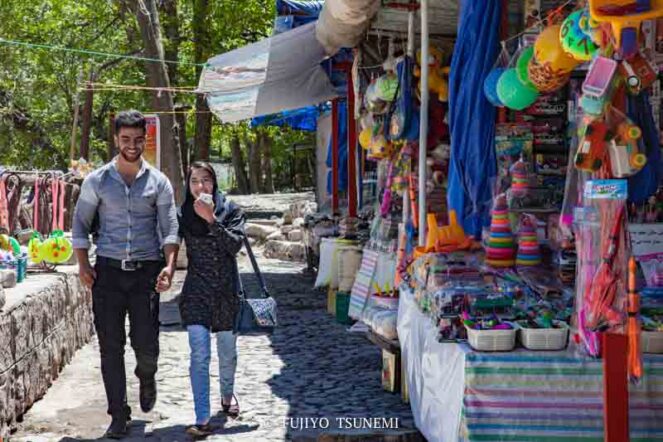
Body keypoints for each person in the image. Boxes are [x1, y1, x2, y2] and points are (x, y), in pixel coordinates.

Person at [72, 110, 179, 439]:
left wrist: (170, 266)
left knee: (146, 344)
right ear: (116, 140)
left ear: (145, 139)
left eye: (137, 139)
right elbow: (80, 223)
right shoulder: (98, 181)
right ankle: (118, 414)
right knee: (110, 346)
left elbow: (169, 227)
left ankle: (147, 375)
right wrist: (83, 264)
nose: (132, 145)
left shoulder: (158, 182)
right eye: (125, 139)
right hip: (108, 273)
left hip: (146, 273)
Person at [178, 161, 245, 437]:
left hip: (226, 294)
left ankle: (227, 395)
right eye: (194, 181)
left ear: (214, 183)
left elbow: (235, 245)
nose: (200, 186)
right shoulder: (182, 213)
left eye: (205, 180)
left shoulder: (231, 211)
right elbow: (169, 243)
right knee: (199, 355)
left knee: (227, 353)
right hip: (196, 293)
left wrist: (211, 220)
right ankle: (202, 418)